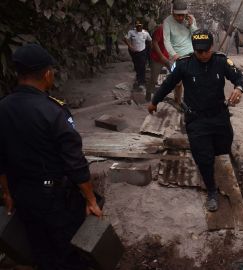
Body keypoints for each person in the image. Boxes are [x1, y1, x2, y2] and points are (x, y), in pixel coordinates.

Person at [0, 44, 102, 270]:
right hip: (54, 198)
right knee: (69, 251)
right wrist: (91, 200)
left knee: (40, 249)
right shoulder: (54, 111)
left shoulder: (3, 107)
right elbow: (74, 162)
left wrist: (7, 193)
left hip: (22, 193)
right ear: (47, 74)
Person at [147, 30, 243, 212]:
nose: (202, 55)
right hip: (196, 119)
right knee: (204, 156)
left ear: (212, 48)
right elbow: (168, 84)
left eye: (205, 51)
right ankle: (211, 191)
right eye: (198, 51)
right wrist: (154, 101)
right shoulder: (184, 65)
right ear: (194, 50)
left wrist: (239, 88)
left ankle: (219, 165)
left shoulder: (221, 61)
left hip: (219, 115)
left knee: (223, 146)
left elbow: (239, 77)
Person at [163, 0, 198, 106]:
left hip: (190, 55)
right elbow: (166, 41)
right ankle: (177, 102)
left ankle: (192, 104)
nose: (180, 18)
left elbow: (196, 36)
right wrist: (174, 54)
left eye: (182, 15)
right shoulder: (167, 22)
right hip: (175, 56)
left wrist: (192, 25)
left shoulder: (190, 19)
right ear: (173, 12)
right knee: (177, 83)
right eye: (177, 15)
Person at [123, 20, 152, 91]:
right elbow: (125, 38)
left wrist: (151, 50)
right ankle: (138, 79)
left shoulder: (145, 33)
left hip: (142, 52)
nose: (138, 27)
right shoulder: (131, 32)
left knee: (142, 66)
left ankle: (141, 82)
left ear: (142, 26)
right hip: (134, 52)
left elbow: (150, 40)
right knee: (136, 66)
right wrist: (129, 46)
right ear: (135, 26)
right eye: (137, 26)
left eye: (140, 26)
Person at [148, 21, 170, 101]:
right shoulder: (161, 29)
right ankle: (149, 94)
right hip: (157, 57)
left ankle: (174, 97)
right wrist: (161, 56)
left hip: (168, 57)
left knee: (176, 75)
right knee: (154, 78)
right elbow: (154, 42)